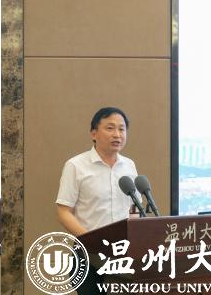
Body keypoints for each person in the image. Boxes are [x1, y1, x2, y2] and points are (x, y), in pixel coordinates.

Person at [56, 107, 139, 295]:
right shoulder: (76, 165)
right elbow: (63, 212)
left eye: (122, 129)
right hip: (88, 254)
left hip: (122, 252)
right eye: (110, 128)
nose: (117, 134)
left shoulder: (129, 166)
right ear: (94, 133)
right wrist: (92, 240)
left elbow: (133, 208)